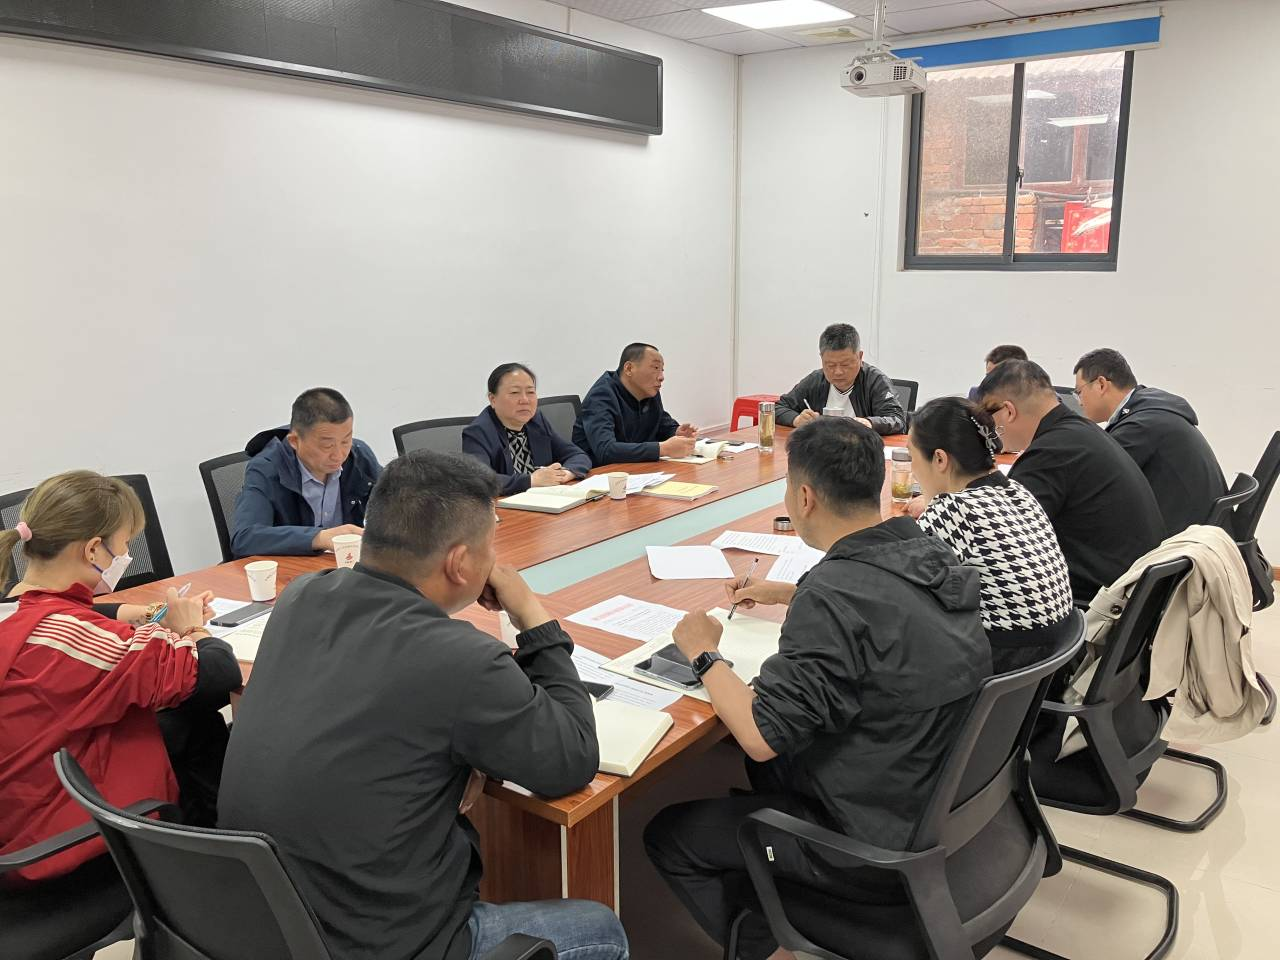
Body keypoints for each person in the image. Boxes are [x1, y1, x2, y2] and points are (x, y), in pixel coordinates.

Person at [218, 451, 628, 960]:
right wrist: (532, 616)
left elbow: (386, 706)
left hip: (256, 920)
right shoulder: (462, 658)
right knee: (601, 928)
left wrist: (461, 753)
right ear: (459, 563)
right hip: (375, 944)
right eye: (490, 547)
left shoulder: (302, 595)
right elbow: (572, 760)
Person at [644, 418, 991, 960]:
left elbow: (761, 735)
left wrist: (703, 652)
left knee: (670, 833)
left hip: (868, 842)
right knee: (764, 763)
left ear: (804, 498)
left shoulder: (834, 595)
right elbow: (879, 601)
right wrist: (791, 591)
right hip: (935, 799)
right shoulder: (925, 550)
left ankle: (764, 944)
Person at [0, 471, 240, 883]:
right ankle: (217, 871)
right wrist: (192, 629)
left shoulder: (13, 612)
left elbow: (76, 613)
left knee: (181, 724)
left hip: (21, 804)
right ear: (94, 549)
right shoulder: (81, 641)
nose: (125, 555)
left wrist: (137, 613)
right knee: (197, 717)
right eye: (125, 544)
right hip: (58, 841)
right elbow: (217, 673)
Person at [905, 396, 1076, 674]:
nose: (913, 469)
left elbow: (900, 583)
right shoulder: (1018, 491)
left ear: (939, 459)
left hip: (1002, 661)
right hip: (1049, 660)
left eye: (912, 457)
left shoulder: (955, 508)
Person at [976, 360, 1164, 605]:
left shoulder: (1050, 453)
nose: (992, 430)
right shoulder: (1080, 433)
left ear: (1009, 411)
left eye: (989, 419)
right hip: (1131, 594)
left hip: (1095, 605)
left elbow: (998, 541)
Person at [1073, 348, 1226, 539]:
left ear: (1101, 384)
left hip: (1183, 538)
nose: (1079, 402)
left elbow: (1091, 480)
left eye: (1079, 392)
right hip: (1199, 526)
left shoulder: (1139, 427)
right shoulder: (1150, 407)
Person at [230, 387, 381, 558]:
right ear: (294, 441)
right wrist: (319, 538)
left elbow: (395, 501)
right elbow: (245, 538)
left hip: (345, 564)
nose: (339, 455)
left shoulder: (358, 456)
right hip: (293, 569)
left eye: (346, 441)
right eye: (327, 445)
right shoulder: (267, 468)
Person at [462, 363, 592, 497]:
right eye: (514, 393)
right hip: (505, 506)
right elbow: (480, 480)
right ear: (493, 399)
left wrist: (564, 473)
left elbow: (577, 455)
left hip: (544, 500)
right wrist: (531, 480)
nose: (525, 400)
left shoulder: (536, 421)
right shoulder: (478, 432)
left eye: (530, 392)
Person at [572, 343, 698, 466]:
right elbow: (606, 450)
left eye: (662, 370)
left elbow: (660, 425)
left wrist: (676, 432)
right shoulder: (601, 396)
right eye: (655, 368)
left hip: (638, 469)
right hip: (599, 473)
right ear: (629, 368)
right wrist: (662, 449)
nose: (661, 377)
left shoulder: (649, 391)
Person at [775, 323, 906, 435]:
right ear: (822, 358)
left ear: (860, 357)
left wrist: (870, 422)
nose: (838, 372)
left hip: (860, 450)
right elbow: (778, 407)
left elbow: (897, 419)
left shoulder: (875, 381)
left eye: (845, 364)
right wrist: (796, 419)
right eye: (830, 365)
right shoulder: (816, 380)